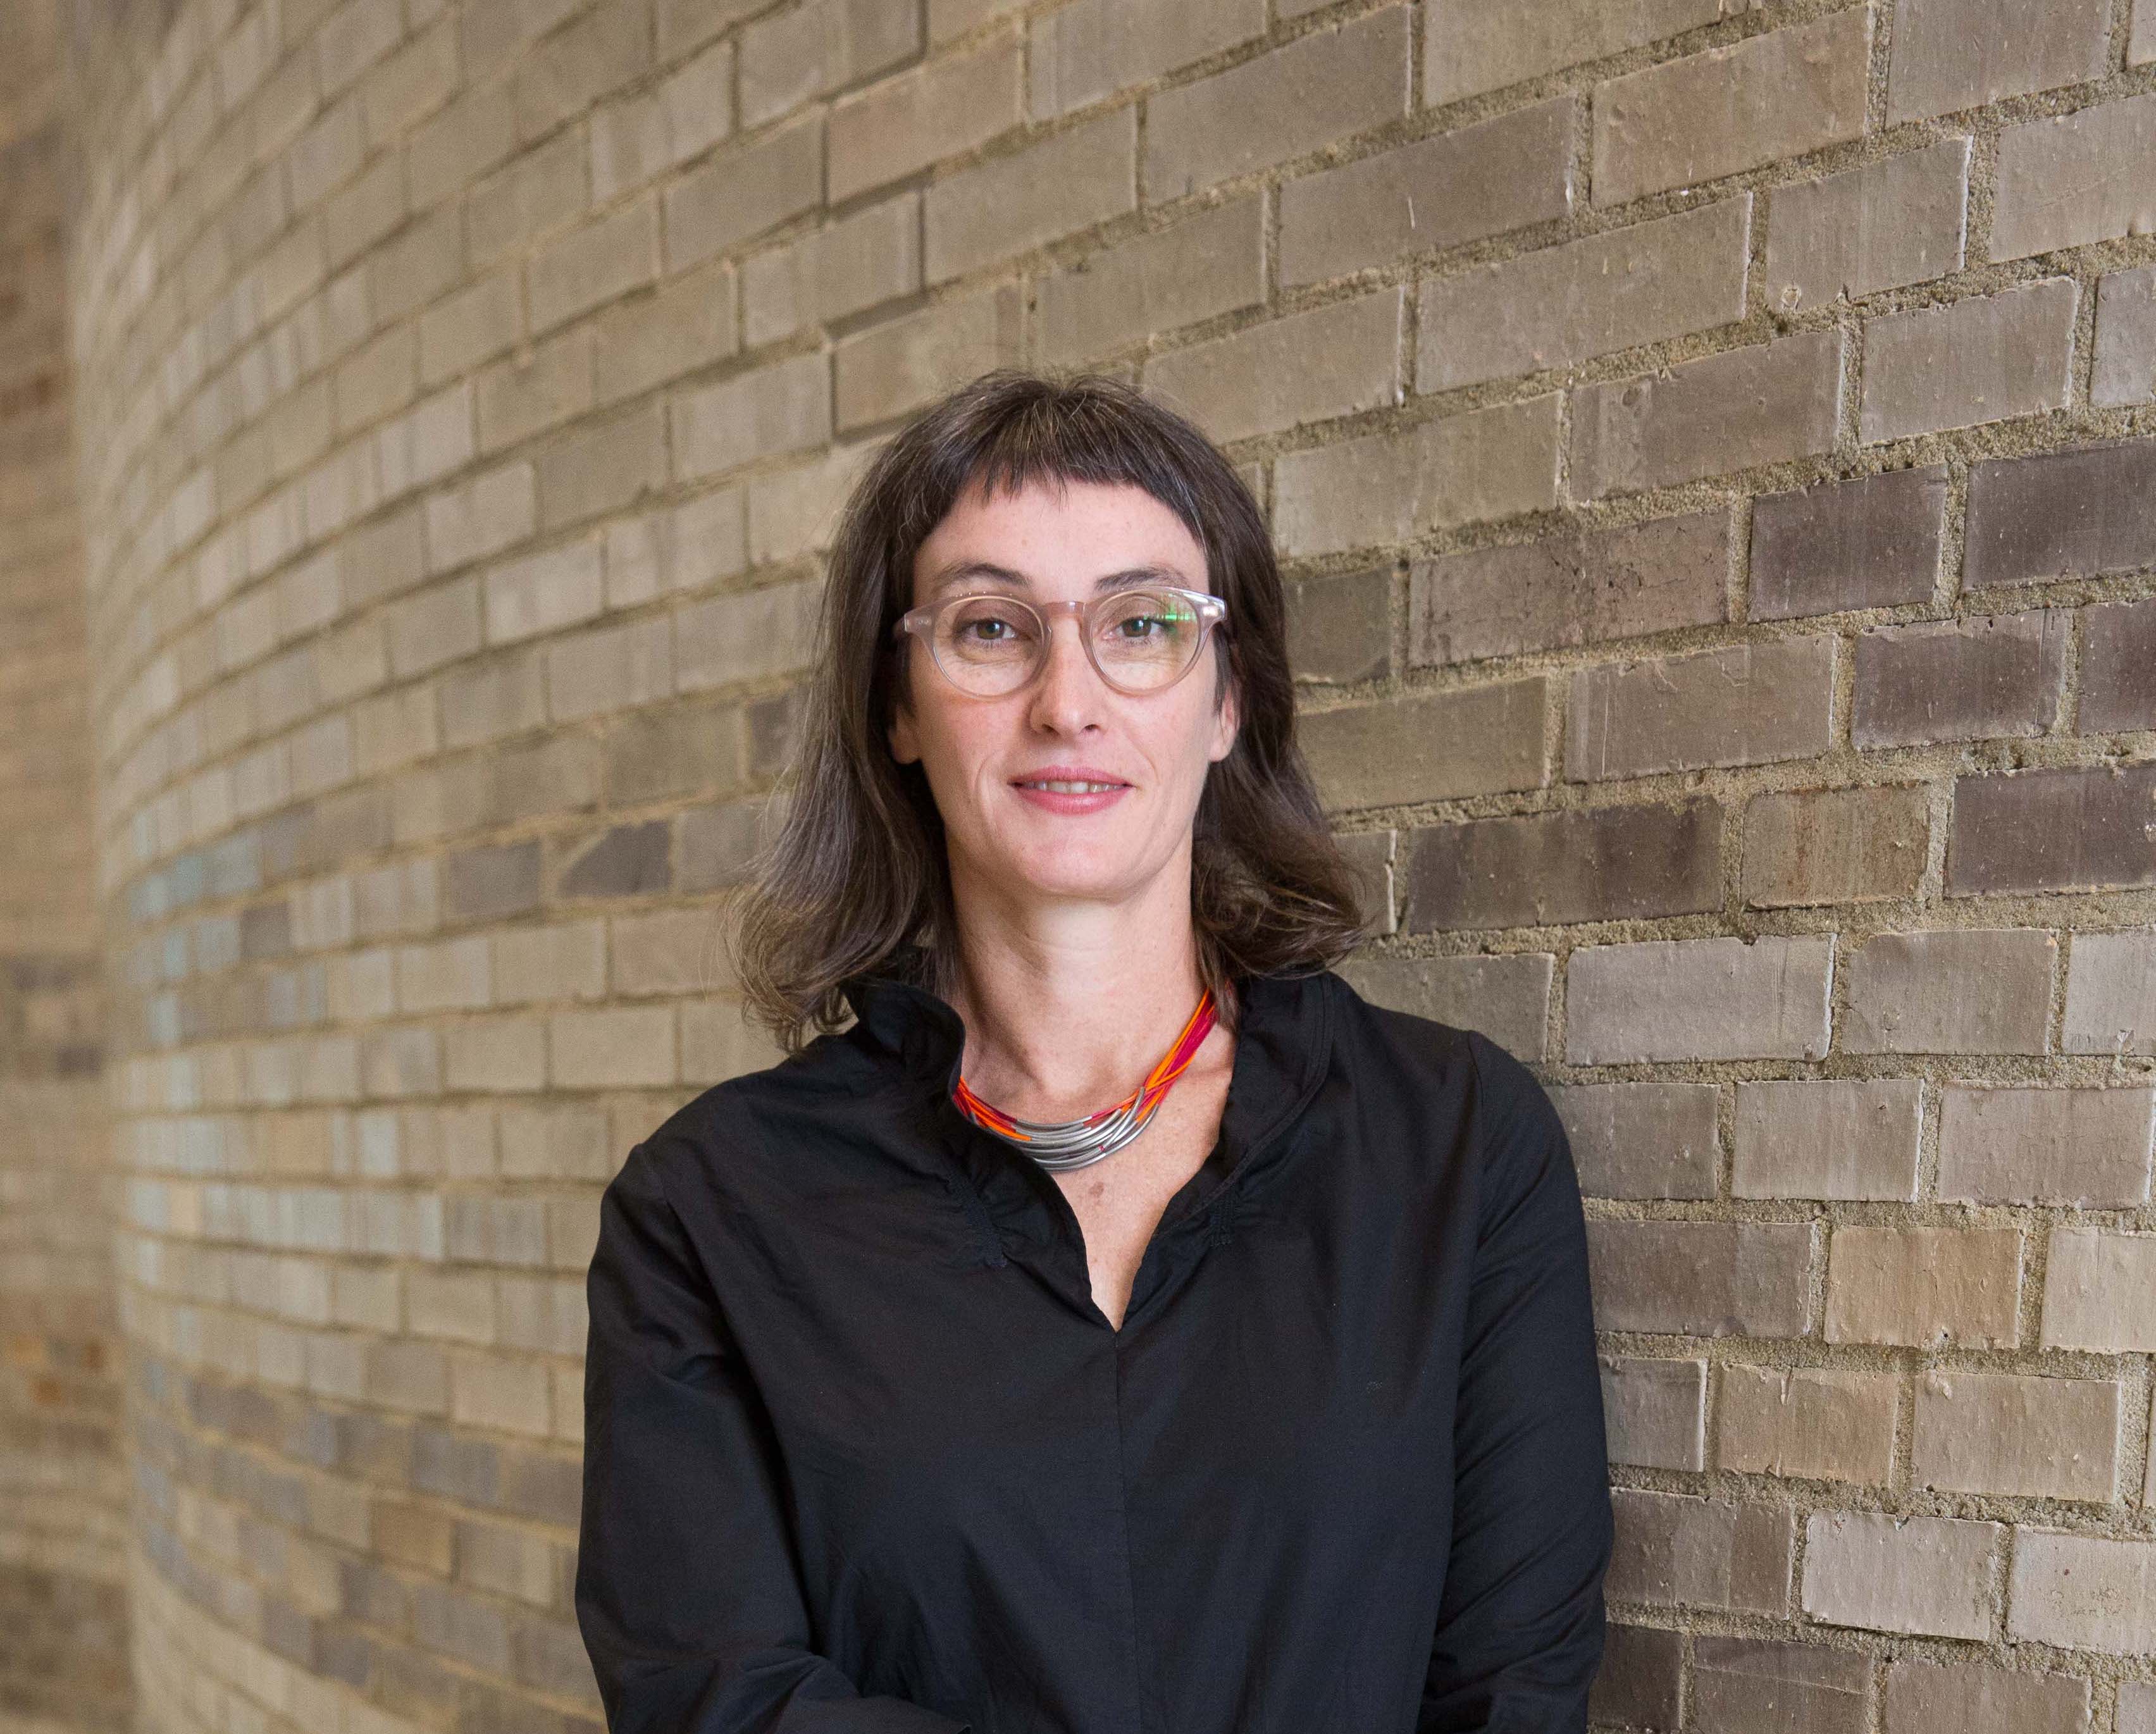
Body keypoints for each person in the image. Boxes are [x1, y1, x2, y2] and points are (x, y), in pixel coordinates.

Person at [574, 369, 1613, 1733]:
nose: (1070, 700)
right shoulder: (710, 1210)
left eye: (1143, 624)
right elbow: (723, 1706)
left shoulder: (1454, 1149)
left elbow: (1513, 1696)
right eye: (992, 628)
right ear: (895, 707)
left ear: (1229, 700)